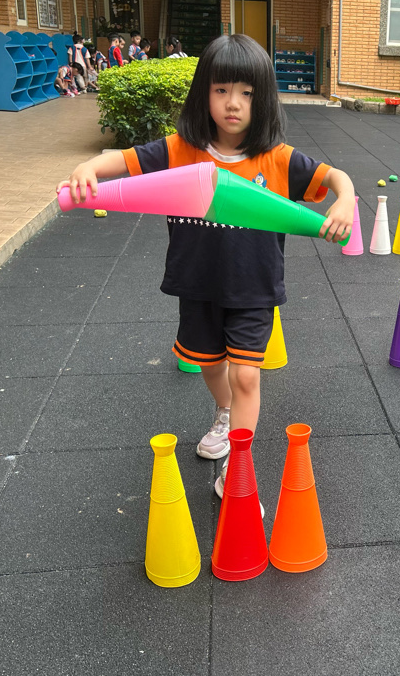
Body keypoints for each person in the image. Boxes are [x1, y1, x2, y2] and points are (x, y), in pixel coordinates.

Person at [57, 34, 356, 501]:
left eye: (247, 93)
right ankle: (224, 412)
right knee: (211, 366)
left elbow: (334, 176)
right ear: (204, 94)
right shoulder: (181, 150)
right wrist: (91, 167)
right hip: (198, 285)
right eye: (221, 90)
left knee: (246, 374)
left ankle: (239, 463)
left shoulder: (277, 159)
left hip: (253, 289)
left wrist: (346, 199)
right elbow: (126, 160)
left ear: (263, 99)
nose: (233, 103)